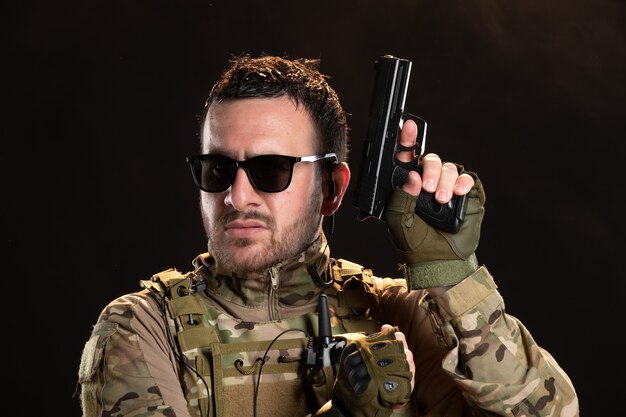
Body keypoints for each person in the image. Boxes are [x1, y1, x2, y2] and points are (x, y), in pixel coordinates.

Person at [77, 54, 579, 417]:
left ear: (332, 189)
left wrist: (452, 280)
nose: (236, 196)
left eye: (270, 170)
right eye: (216, 169)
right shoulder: (141, 330)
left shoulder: (397, 314)